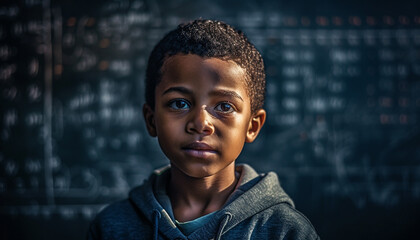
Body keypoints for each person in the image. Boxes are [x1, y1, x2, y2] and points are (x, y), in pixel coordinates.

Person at [87, 19, 319, 240]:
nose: (200, 123)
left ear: (252, 126)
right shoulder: (111, 227)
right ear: (151, 120)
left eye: (225, 106)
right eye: (179, 103)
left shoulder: (284, 231)